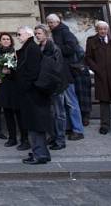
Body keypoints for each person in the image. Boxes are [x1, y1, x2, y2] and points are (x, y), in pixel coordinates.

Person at [45, 14, 85, 142]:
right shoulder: (55, 33)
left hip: (66, 73)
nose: (50, 24)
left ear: (58, 22)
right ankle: (69, 127)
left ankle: (78, 130)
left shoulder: (64, 32)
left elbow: (70, 48)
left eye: (52, 22)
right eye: (48, 22)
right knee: (63, 103)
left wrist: (54, 46)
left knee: (71, 102)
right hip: (59, 73)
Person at [17, 25, 52, 165]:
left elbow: (31, 72)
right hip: (32, 93)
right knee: (33, 124)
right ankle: (40, 152)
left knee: (35, 124)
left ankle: (40, 154)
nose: (18, 37)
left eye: (19, 34)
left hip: (33, 94)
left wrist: (24, 87)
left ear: (27, 34)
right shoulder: (29, 48)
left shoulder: (31, 48)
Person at [0, 32, 23, 147]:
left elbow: (18, 70)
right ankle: (12, 138)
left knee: (18, 113)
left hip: (14, 86)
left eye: (8, 39)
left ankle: (24, 138)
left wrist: (9, 72)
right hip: (3, 87)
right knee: (7, 113)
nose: (6, 41)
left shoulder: (14, 52)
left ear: (11, 41)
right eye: (3, 39)